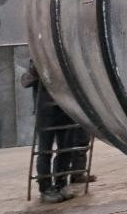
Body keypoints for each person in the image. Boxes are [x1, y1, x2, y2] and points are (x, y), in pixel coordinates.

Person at [22, 64, 93, 203]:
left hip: (65, 110)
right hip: (46, 113)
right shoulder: (40, 59)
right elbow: (25, 81)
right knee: (45, 151)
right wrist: (35, 71)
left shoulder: (63, 60)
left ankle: (61, 184)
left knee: (65, 150)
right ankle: (45, 188)